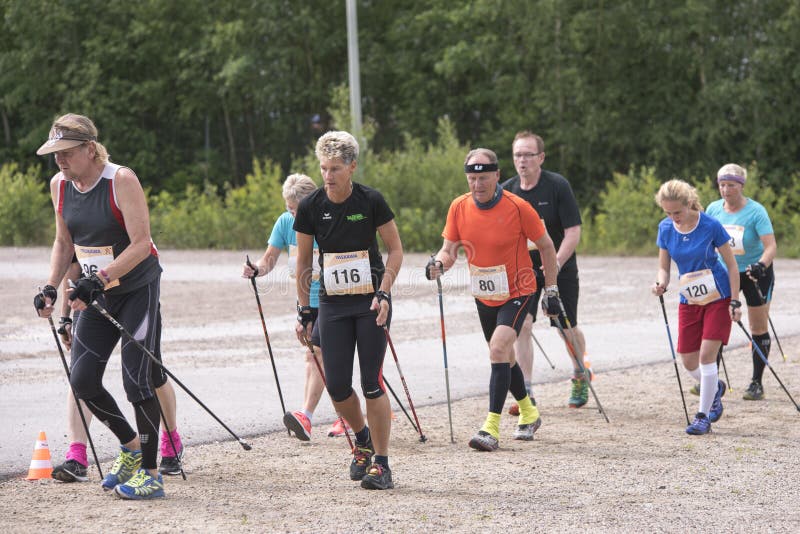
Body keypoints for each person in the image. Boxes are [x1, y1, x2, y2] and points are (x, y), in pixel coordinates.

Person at [33, 113, 170, 499]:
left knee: (136, 379)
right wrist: (50, 286)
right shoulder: (59, 184)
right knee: (83, 379)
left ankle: (151, 472)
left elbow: (142, 243)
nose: (59, 161)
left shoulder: (120, 180)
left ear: (90, 149)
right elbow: (64, 242)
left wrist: (102, 276)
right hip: (95, 291)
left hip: (136, 289)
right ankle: (129, 445)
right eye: (54, 154)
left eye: (67, 153)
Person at [428, 148, 560, 451]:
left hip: (519, 289)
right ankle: (529, 411)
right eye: (472, 179)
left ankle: (490, 427)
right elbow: (449, 251)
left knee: (499, 347)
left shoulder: (518, 207)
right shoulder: (459, 207)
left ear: (497, 176)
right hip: (485, 294)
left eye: (483, 178)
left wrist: (550, 290)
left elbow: (546, 246)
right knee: (504, 356)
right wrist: (437, 264)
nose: (477, 185)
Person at [293, 130, 403, 490]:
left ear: (352, 167)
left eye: (336, 168)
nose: (328, 175)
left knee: (372, 383)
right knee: (338, 385)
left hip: (370, 302)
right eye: (324, 168)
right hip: (333, 304)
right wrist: (305, 312)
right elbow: (304, 263)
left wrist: (384, 293)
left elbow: (396, 251)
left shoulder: (370, 200)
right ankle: (363, 440)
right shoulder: (311, 207)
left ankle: (382, 464)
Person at [53, 261, 184, 482]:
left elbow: (141, 248)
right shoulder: (73, 226)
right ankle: (77, 455)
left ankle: (171, 441)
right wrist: (65, 315)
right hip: (89, 297)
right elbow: (72, 261)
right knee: (81, 376)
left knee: (150, 374)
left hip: (135, 293)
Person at [241, 173, 348, 440]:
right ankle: (340, 416)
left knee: (319, 356)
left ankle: (308, 416)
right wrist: (257, 269)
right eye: (290, 209)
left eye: (298, 210)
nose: (293, 215)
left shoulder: (326, 219)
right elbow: (269, 258)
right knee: (314, 356)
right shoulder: (285, 222)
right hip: (304, 301)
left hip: (332, 299)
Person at [501, 131, 590, 411]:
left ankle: (579, 371)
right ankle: (526, 389)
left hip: (559, 265)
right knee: (522, 325)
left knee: (565, 326)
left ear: (541, 157)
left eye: (528, 154)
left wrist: (557, 262)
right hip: (524, 269)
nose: (522, 160)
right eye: (518, 155)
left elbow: (573, 231)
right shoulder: (507, 190)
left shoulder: (556, 186)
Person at [652, 179, 742, 435]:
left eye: (677, 212)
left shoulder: (710, 225)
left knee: (705, 356)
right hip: (689, 297)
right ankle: (714, 387)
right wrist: (660, 282)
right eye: (668, 213)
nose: (674, 218)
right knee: (688, 359)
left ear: (688, 204)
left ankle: (703, 416)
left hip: (718, 295)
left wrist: (735, 300)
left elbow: (732, 265)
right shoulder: (666, 228)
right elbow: (664, 266)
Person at [706, 164, 777, 401]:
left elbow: (771, 247)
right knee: (717, 323)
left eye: (731, 185)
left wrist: (761, 265)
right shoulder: (714, 209)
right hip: (725, 274)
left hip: (754, 273)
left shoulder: (756, 211)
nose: (726, 190)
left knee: (757, 327)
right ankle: (710, 380)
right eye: (722, 185)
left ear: (741, 186)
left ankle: (756, 382)